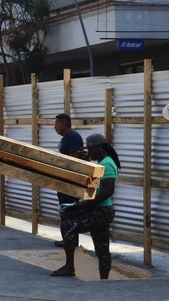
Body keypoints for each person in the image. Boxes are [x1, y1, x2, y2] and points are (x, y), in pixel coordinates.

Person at [50, 133, 120, 280]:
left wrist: (83, 205)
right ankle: (104, 280)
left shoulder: (106, 165)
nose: (89, 152)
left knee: (68, 226)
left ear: (99, 148)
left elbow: (108, 190)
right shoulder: (102, 163)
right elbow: (93, 187)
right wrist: (85, 162)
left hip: (101, 210)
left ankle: (69, 267)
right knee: (102, 246)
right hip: (101, 210)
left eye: (90, 149)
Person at [53, 113, 85, 247]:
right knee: (65, 211)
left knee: (70, 211)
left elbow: (74, 160)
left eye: (56, 124)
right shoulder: (66, 138)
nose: (54, 127)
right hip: (64, 181)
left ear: (63, 124)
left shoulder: (73, 137)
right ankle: (67, 239)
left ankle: (71, 241)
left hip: (70, 182)